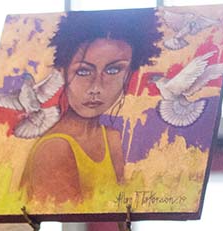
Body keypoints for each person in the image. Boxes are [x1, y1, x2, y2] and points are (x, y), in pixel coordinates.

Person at [19, 10, 163, 205]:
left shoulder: (111, 138)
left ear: (129, 74)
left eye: (113, 70)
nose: (96, 87)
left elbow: (117, 218)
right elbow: (76, 229)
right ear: (62, 73)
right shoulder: (56, 148)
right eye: (83, 71)